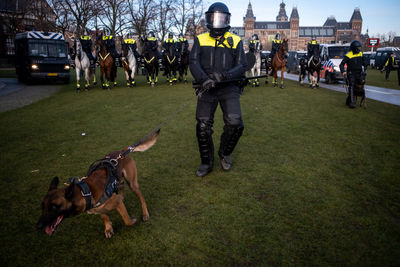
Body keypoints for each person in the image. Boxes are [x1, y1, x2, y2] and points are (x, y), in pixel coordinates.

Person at [189, 2, 248, 177]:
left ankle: (224, 153)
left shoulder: (236, 40)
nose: (217, 21)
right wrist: (204, 79)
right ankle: (206, 163)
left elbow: (242, 65)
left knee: (235, 123)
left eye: (221, 18)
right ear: (209, 18)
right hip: (207, 89)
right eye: (214, 18)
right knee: (202, 126)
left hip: (229, 88)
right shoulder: (200, 39)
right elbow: (193, 62)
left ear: (227, 19)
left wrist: (224, 76)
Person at [339, 40, 367, 109]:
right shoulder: (348, 55)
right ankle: (351, 103)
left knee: (357, 88)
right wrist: (343, 71)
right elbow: (341, 64)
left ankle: (348, 101)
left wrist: (365, 66)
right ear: (354, 48)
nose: (360, 49)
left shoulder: (361, 54)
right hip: (351, 73)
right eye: (358, 47)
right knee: (351, 86)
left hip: (359, 73)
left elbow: (364, 62)